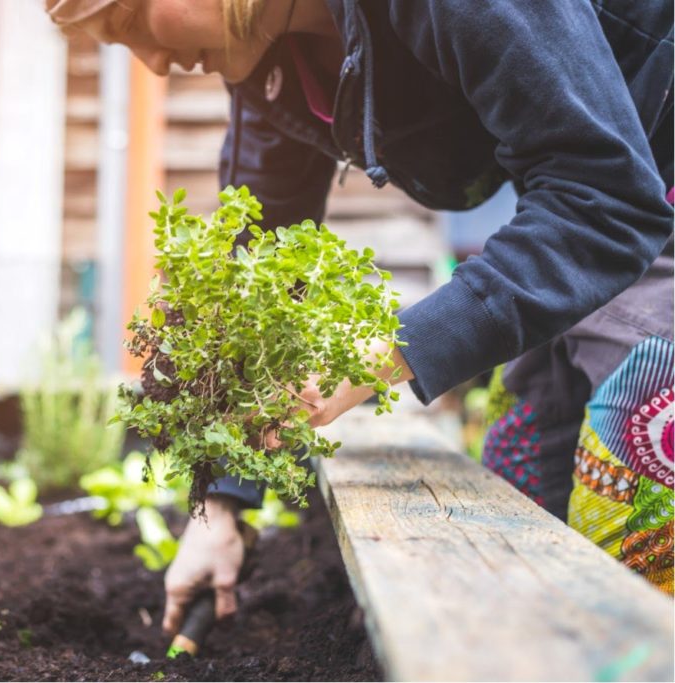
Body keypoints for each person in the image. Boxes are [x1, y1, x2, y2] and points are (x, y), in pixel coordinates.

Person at [45, 0, 675, 627]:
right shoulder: (273, 58)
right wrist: (220, 507)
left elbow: (604, 201)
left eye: (132, 24)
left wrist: (376, 358)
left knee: (638, 508)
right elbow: (261, 261)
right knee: (525, 493)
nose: (153, 65)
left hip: (638, 196)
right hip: (605, 213)